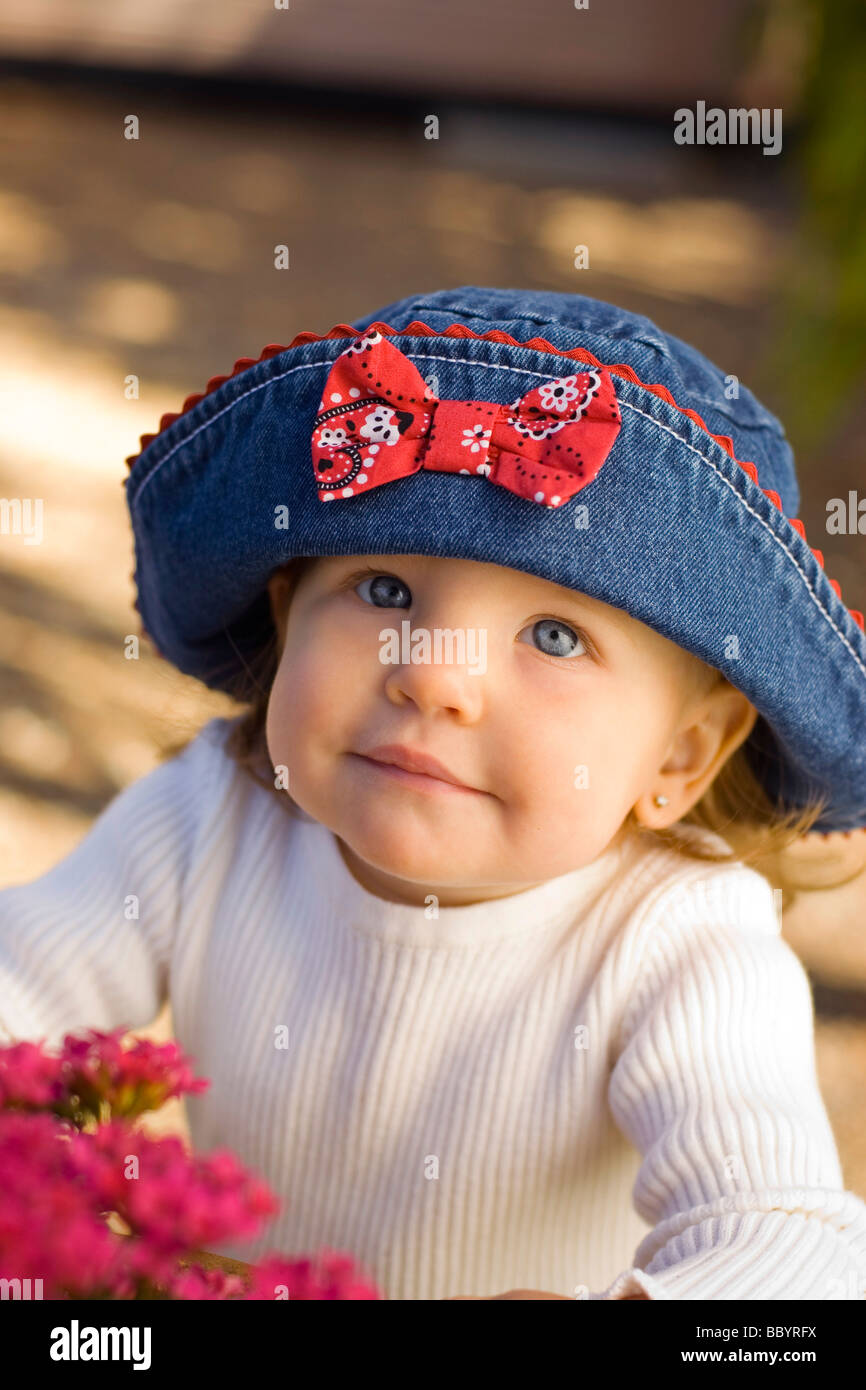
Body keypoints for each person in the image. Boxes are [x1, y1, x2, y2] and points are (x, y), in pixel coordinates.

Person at [2, 286, 866, 1300]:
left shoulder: (679, 933)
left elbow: (793, 1240)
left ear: (681, 753)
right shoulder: (208, 817)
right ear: (286, 616)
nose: (434, 674)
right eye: (383, 590)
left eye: (553, 636)